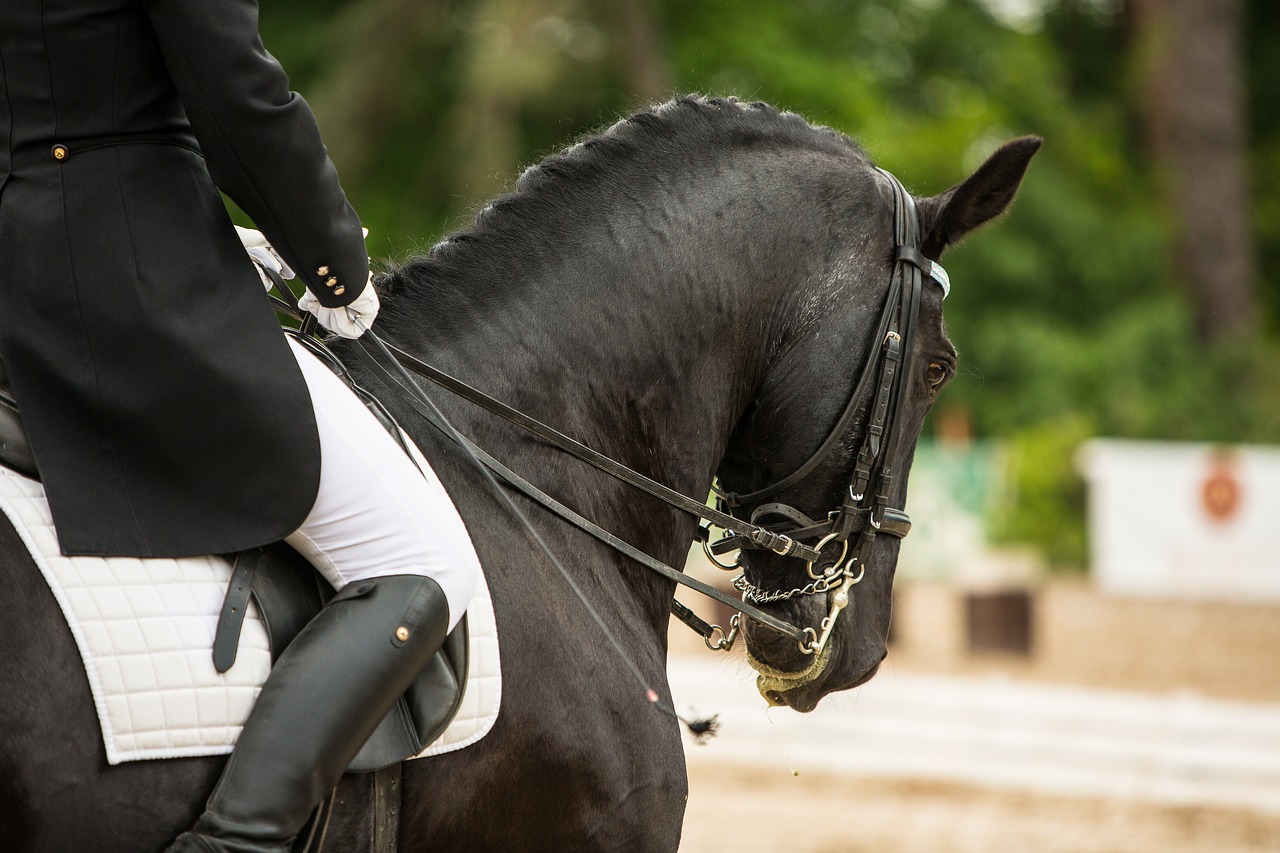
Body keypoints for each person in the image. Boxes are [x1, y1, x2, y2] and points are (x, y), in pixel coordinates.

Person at [0, 2, 480, 851]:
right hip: (128, 284)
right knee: (420, 557)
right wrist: (332, 259)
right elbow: (234, 91)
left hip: (31, 258)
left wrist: (210, 225)